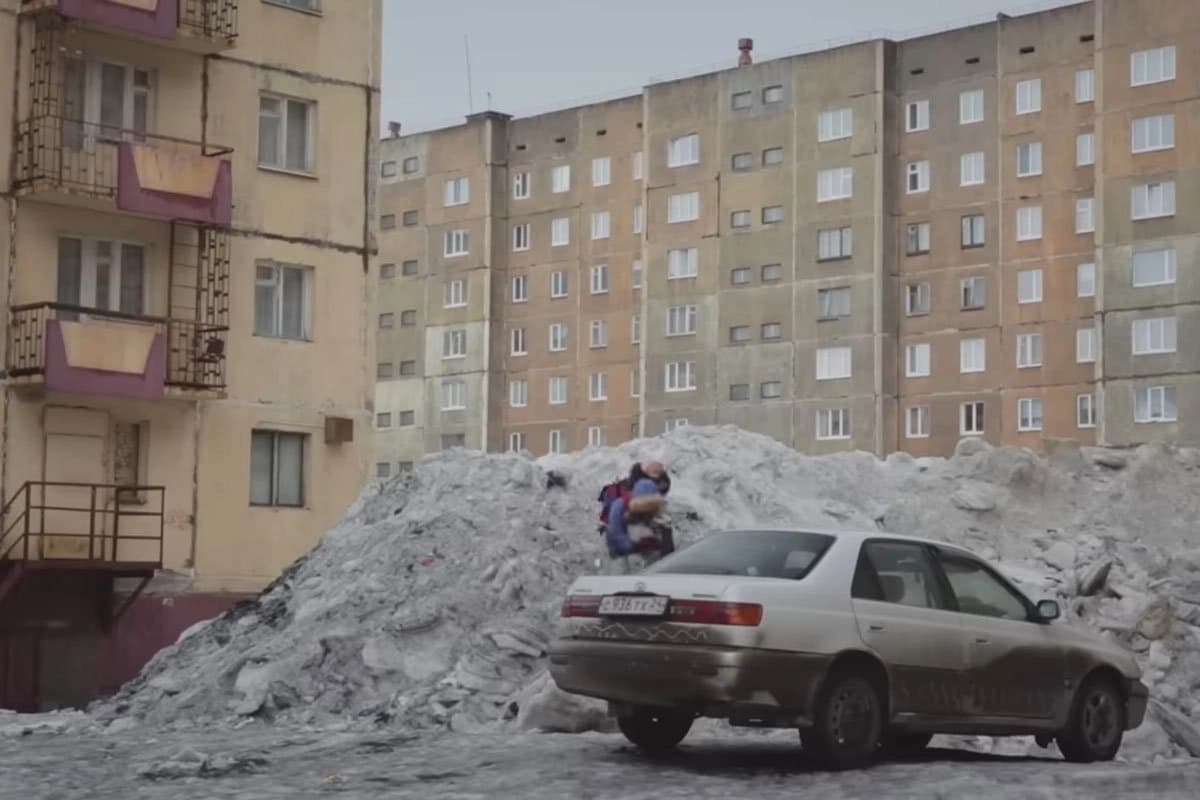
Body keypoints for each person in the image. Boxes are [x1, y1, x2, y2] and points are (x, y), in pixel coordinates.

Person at [603, 461, 674, 573]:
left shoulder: (657, 508)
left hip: (646, 548)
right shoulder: (620, 505)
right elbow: (615, 531)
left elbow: (666, 537)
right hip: (621, 550)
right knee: (622, 574)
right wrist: (630, 546)